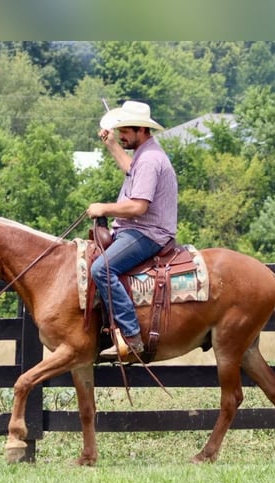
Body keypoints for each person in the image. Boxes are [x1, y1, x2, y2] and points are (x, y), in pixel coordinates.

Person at [86, 101, 178, 362]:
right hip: (138, 230)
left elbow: (138, 206)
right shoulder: (146, 153)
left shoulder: (149, 160)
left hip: (148, 232)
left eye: (124, 131)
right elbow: (130, 169)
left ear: (141, 130)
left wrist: (103, 208)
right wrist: (112, 144)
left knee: (101, 269)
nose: (122, 135)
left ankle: (131, 336)